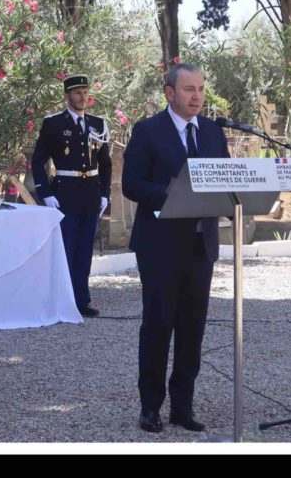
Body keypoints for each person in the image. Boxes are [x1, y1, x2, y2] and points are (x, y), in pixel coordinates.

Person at [122, 63, 230, 434]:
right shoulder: (148, 131)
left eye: (200, 88)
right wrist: (169, 191)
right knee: (158, 325)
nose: (197, 96)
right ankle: (150, 407)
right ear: (170, 93)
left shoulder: (215, 132)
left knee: (192, 327)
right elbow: (131, 184)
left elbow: (226, 178)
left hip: (201, 243)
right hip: (160, 246)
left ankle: (182, 407)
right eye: (188, 89)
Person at [31, 74, 112, 318]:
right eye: (77, 93)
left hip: (90, 194)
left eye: (85, 92)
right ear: (68, 96)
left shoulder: (98, 124)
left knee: (84, 250)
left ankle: (81, 300)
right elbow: (37, 162)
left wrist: (105, 194)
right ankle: (61, 301)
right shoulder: (54, 123)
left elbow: (106, 164)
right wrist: (45, 193)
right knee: (65, 249)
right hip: (64, 192)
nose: (83, 97)